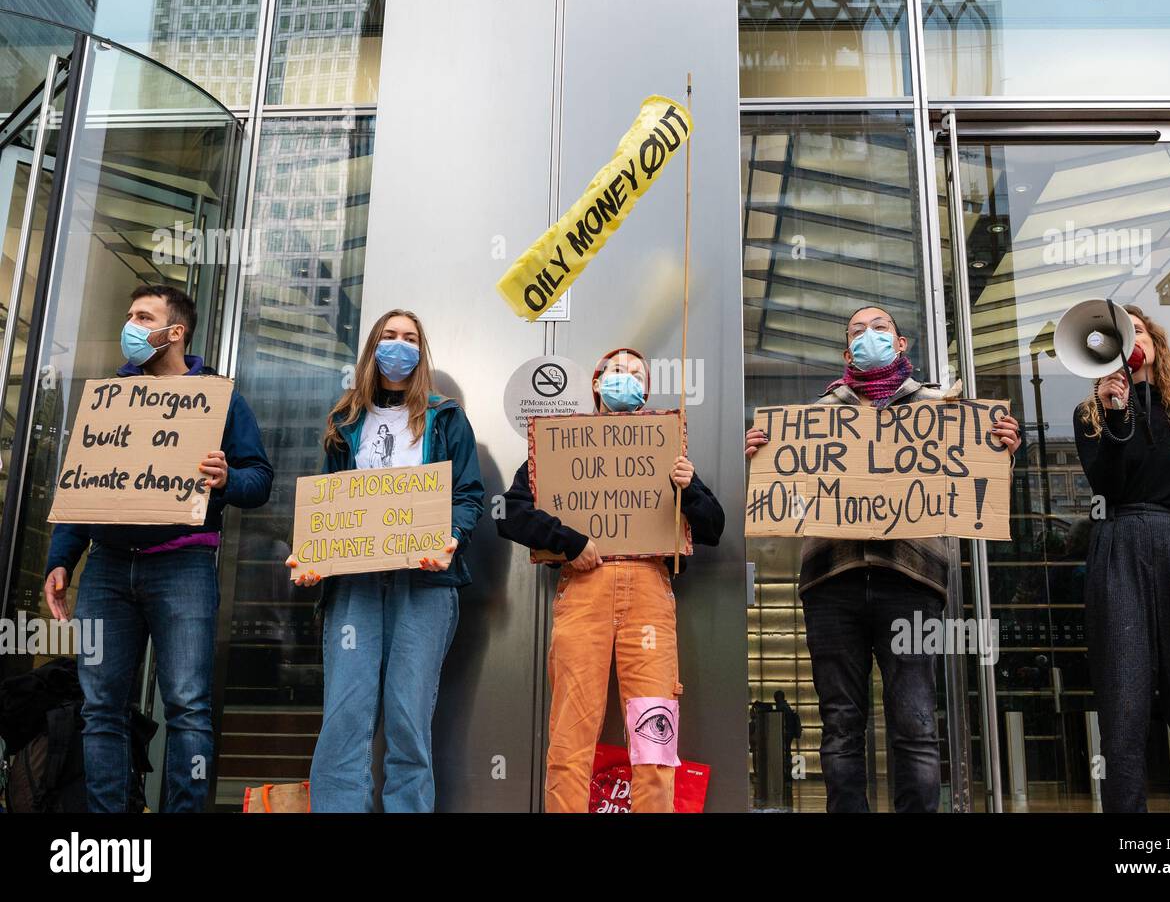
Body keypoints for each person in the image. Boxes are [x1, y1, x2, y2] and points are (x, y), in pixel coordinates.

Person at [745, 305, 1022, 813]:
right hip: (832, 583)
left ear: (901, 344)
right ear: (847, 351)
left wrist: (1000, 451)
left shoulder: (944, 409)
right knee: (840, 725)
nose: (868, 335)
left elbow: (974, 487)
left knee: (915, 723)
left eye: (880, 328)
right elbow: (788, 497)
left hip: (910, 580)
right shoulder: (816, 417)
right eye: (857, 331)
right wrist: (763, 457)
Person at [43, 284, 273, 812]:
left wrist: (226, 479)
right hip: (105, 569)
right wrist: (61, 559)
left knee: (188, 707)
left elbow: (259, 480)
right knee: (101, 707)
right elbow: (84, 486)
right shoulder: (110, 397)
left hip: (184, 565)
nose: (129, 324)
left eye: (142, 317)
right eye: (129, 315)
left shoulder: (219, 398)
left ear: (176, 332)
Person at [496, 347, 725, 812]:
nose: (627, 377)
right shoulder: (563, 444)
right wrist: (569, 541)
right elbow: (510, 513)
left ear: (646, 389)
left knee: (654, 737)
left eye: (637, 373)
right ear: (597, 382)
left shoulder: (668, 450)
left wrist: (692, 488)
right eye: (618, 370)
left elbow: (714, 528)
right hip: (584, 589)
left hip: (650, 598)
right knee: (570, 734)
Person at [287, 309, 484, 812]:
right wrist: (313, 556)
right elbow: (328, 504)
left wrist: (452, 537)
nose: (400, 345)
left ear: (422, 351)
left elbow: (468, 494)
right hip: (354, 584)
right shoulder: (344, 420)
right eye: (390, 336)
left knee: (408, 720)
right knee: (344, 719)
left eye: (410, 338)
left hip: (424, 583)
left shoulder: (446, 416)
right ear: (373, 346)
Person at [1073, 304, 1170, 812]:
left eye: (1138, 332)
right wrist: (1117, 412)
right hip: (1120, 543)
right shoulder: (1091, 413)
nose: (1131, 340)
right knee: (1124, 704)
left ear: (1155, 347)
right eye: (1121, 334)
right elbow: (1108, 485)